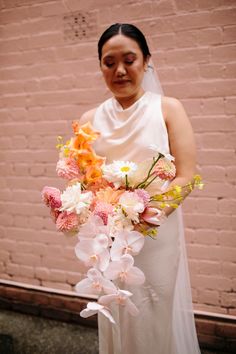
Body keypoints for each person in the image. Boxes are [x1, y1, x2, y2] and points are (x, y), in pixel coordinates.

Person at [79, 23, 201, 354]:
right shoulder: (89, 120)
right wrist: (79, 204)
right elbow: (86, 181)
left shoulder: (168, 109)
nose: (119, 70)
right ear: (101, 66)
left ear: (146, 61)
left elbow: (186, 175)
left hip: (154, 233)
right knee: (114, 309)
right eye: (109, 62)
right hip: (109, 237)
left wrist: (145, 215)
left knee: (151, 309)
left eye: (129, 59)